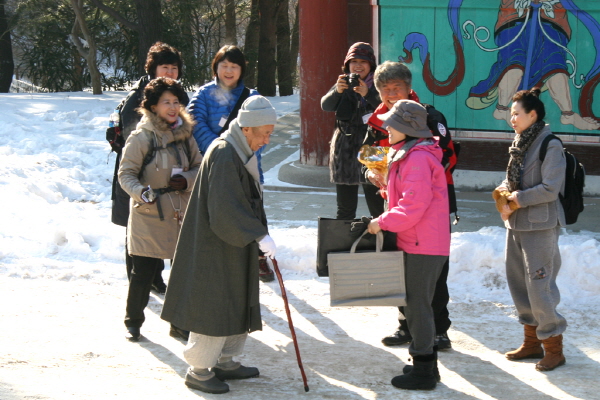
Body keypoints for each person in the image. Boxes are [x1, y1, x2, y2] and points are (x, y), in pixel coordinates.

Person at [161, 96, 277, 395]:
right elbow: (225, 208)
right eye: (264, 132)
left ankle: (227, 361)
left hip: (233, 243)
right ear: (247, 129)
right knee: (213, 304)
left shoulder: (237, 148)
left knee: (235, 298)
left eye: (270, 132)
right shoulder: (226, 153)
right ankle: (199, 370)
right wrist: (257, 234)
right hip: (216, 245)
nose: (267, 139)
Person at [368, 61, 455, 350]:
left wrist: (403, 173)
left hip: (428, 208)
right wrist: (373, 172)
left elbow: (446, 156)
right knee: (401, 270)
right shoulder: (377, 119)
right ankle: (408, 325)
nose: (391, 94)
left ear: (409, 87)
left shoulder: (427, 115)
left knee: (430, 272)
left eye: (397, 88)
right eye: (385, 90)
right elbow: (369, 157)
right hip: (394, 204)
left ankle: (438, 329)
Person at [118, 77, 202, 342]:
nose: (172, 107)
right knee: (143, 272)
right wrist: (141, 193)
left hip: (180, 213)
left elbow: (200, 167)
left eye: (176, 102)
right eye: (166, 102)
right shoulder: (141, 137)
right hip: (149, 213)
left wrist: (187, 179)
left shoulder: (186, 135)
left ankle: (179, 323)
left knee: (181, 274)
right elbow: (126, 173)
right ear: (153, 106)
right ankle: (133, 321)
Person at [187, 45, 275, 283]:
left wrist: (245, 150)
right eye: (223, 65)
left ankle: (258, 257)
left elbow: (264, 132)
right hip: (217, 162)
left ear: (241, 69)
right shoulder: (203, 94)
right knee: (221, 208)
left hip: (249, 163)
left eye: (233, 66)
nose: (228, 71)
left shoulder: (252, 96)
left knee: (253, 207)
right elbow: (195, 124)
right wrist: (221, 149)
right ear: (215, 67)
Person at [495, 88, 567, 371]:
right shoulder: (520, 142)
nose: (512, 118)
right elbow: (510, 180)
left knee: (540, 287)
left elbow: (550, 188)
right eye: (511, 114)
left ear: (532, 114)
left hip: (540, 225)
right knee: (519, 284)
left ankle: (554, 347)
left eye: (516, 113)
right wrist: (502, 192)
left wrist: (515, 200)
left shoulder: (550, 144)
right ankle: (532, 342)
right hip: (516, 223)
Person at [110, 42, 189, 296]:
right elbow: (138, 137)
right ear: (153, 68)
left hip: (170, 175)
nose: (169, 72)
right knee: (140, 230)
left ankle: (154, 280)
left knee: (163, 226)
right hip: (140, 172)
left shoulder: (178, 93)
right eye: (164, 66)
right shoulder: (140, 95)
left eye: (174, 67)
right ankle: (139, 283)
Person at [320, 42, 384, 220]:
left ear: (371, 64)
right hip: (346, 147)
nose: (357, 66)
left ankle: (382, 243)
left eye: (363, 61)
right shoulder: (343, 82)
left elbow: (386, 108)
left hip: (372, 148)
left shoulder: (378, 85)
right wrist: (337, 92)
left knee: (377, 205)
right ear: (347, 65)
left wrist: (368, 94)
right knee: (345, 209)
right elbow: (325, 105)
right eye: (353, 61)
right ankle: (344, 244)